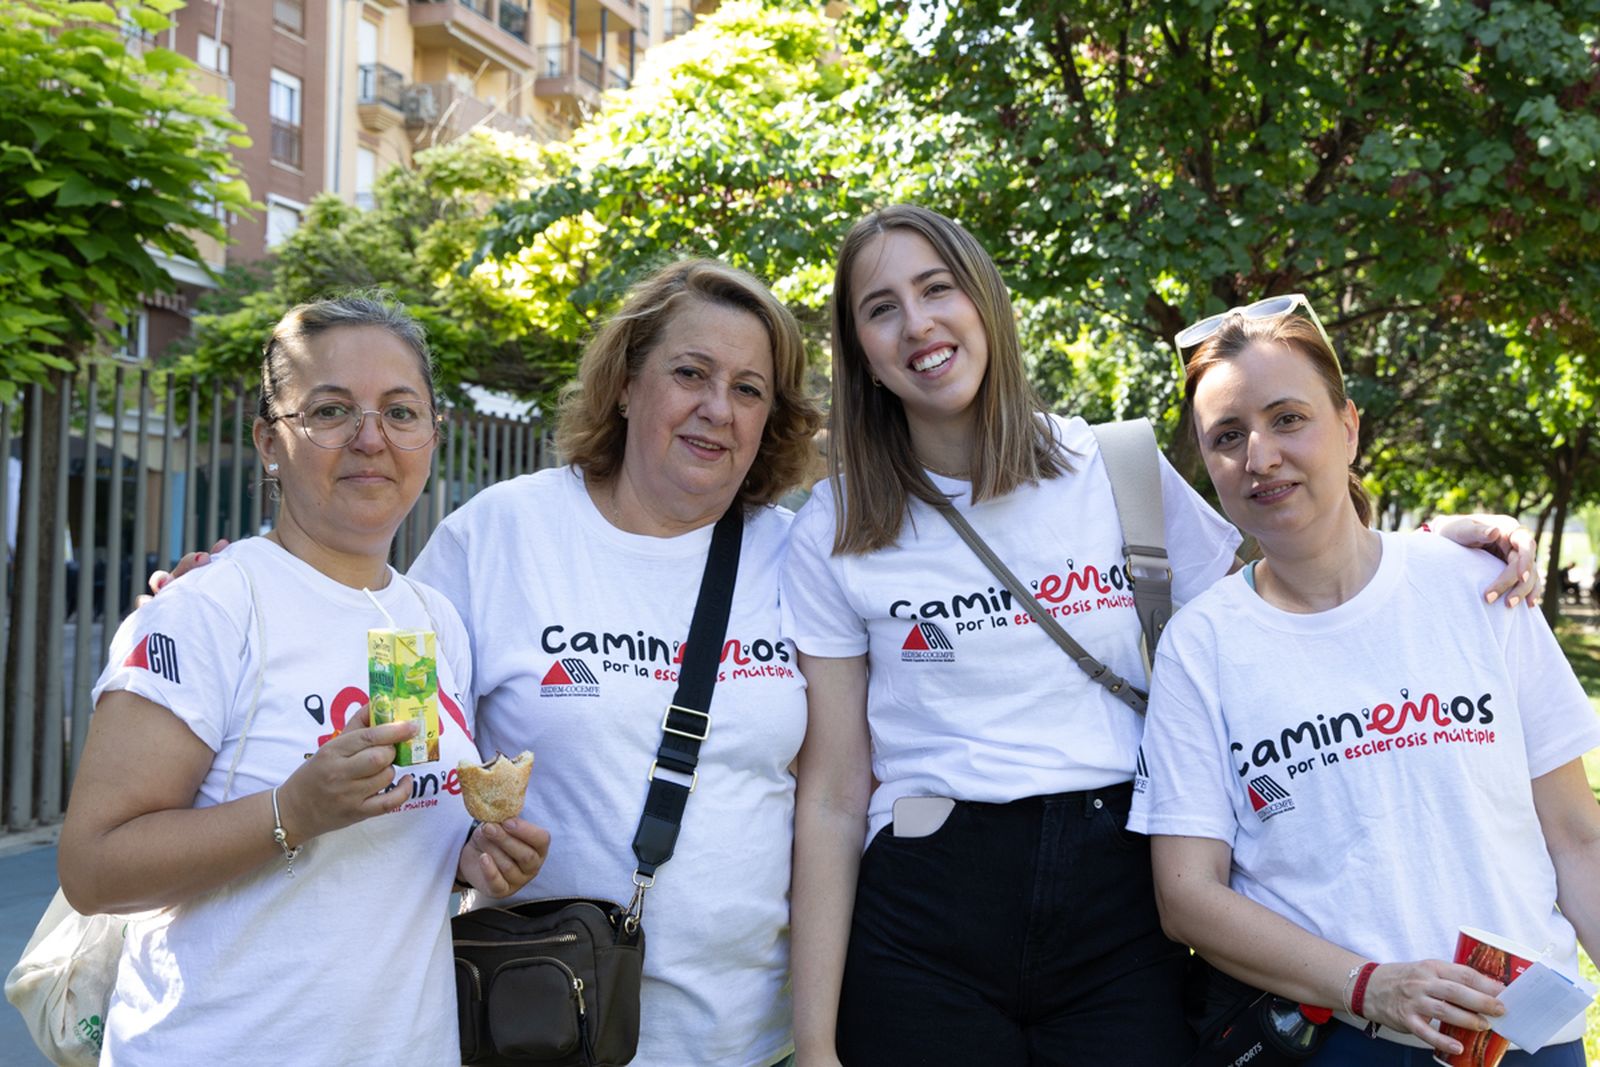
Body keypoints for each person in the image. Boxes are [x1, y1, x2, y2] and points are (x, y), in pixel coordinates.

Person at [780, 204, 1545, 1067]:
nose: (917, 323)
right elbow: (836, 794)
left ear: (984, 303)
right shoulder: (836, 529)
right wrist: (815, 1044)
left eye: (936, 288)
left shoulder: (1117, 465)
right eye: (881, 308)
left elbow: (1283, 582)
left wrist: (1427, 545)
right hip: (927, 911)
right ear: (863, 355)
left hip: (1121, 904)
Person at [56, 296, 550, 1066]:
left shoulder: (434, 620)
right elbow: (92, 868)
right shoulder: (207, 609)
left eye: (400, 411)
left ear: (431, 437)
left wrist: (471, 859)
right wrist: (293, 809)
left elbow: (394, 844)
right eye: (329, 410)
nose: (369, 438)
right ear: (269, 442)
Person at [1130, 298, 1600, 1064]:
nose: (1260, 456)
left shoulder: (1476, 587)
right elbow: (1186, 895)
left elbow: (1578, 839)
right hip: (1339, 1041)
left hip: (1521, 1038)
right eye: (1227, 436)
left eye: (1288, 418)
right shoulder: (1201, 646)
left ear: (1349, 427)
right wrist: (1368, 983)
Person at [408, 259, 822, 1067]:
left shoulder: (799, 556)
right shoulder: (501, 533)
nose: (716, 408)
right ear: (628, 382)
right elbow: (400, 733)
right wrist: (460, 841)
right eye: (690, 372)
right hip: (540, 1025)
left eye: (748, 389)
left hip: (752, 1038)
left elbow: (840, 790)